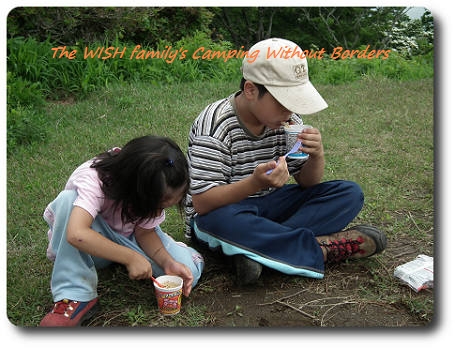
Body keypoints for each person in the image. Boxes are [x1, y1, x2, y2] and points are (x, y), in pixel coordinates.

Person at [184, 38, 386, 286]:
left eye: (294, 103)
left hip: (269, 207)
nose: (289, 113)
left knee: (349, 194)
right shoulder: (214, 126)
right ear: (251, 90)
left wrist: (317, 154)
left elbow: (308, 182)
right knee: (218, 221)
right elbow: (202, 203)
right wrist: (254, 184)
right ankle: (320, 250)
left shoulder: (288, 122)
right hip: (224, 212)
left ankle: (260, 251)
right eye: (282, 103)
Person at [40, 135, 204, 326]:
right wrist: (131, 258)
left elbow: (145, 232)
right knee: (68, 200)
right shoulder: (94, 179)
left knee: (186, 268)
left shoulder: (150, 182)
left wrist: (167, 262)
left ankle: (174, 256)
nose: (163, 208)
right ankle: (74, 294)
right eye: (160, 204)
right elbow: (77, 234)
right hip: (87, 248)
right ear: (134, 189)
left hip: (128, 238)